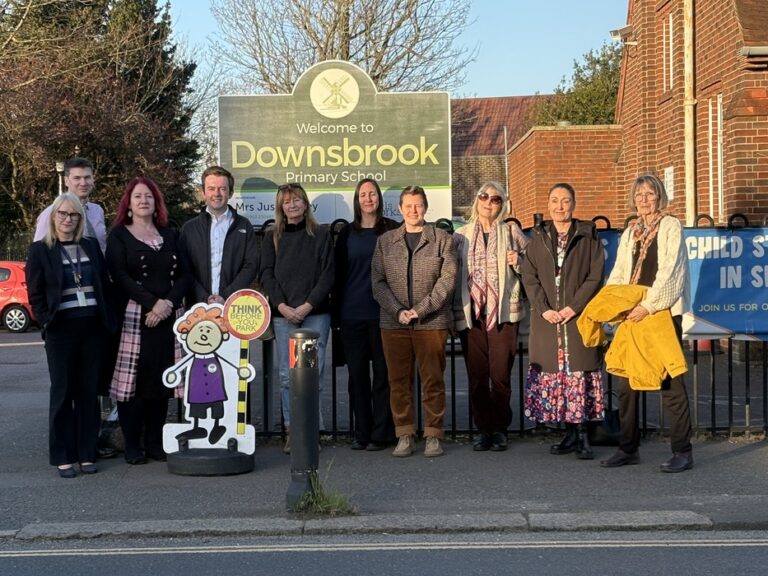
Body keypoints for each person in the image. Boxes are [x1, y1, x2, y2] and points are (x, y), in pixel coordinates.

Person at [599, 173, 693, 473]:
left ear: (660, 197)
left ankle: (682, 450)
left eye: (650, 194)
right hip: (632, 314)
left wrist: (647, 306)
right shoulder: (630, 232)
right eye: (639, 195)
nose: (644, 199)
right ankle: (628, 448)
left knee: (669, 381)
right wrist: (616, 305)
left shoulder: (670, 226)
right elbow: (619, 273)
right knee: (627, 385)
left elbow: (671, 272)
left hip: (661, 313)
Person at [26, 193, 115, 477]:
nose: (67, 219)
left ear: (80, 219)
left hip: (91, 328)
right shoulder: (41, 250)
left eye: (74, 215)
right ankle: (63, 456)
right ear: (53, 217)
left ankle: (86, 453)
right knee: (63, 393)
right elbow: (35, 293)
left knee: (88, 394)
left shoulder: (89, 246)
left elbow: (103, 284)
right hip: (61, 330)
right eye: (62, 214)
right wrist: (46, 321)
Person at [106, 177, 190, 465]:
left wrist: (167, 304)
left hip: (168, 318)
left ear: (156, 203)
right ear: (128, 204)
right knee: (134, 385)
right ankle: (132, 445)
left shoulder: (171, 234)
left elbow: (184, 275)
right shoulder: (119, 235)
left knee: (161, 382)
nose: (144, 201)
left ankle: (155, 443)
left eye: (149, 197)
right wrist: (152, 303)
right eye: (138, 196)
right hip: (135, 317)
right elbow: (120, 275)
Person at [520, 183, 605, 459]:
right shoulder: (538, 238)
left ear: (574, 204)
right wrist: (543, 308)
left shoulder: (588, 237)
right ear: (548, 205)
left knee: (577, 374)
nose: (560, 206)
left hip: (576, 319)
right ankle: (568, 433)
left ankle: (582, 435)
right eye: (555, 201)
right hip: (548, 321)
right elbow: (529, 276)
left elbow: (595, 276)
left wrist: (574, 307)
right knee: (558, 376)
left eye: (565, 201)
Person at [371, 185, 456, 458]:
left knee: (433, 380)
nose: (413, 210)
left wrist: (421, 309)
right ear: (399, 209)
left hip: (432, 322)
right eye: (408, 205)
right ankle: (404, 434)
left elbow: (448, 280)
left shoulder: (442, 238)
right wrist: (398, 310)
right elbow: (377, 282)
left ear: (426, 207)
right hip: (393, 323)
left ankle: (433, 434)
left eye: (418, 205)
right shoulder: (385, 242)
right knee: (398, 382)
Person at [453, 182, 529, 452]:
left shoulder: (511, 231)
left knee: (500, 375)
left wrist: (518, 260)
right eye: (483, 197)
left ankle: (500, 428)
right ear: (476, 201)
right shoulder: (460, 235)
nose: (488, 203)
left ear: (502, 204)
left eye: (495, 199)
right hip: (471, 313)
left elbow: (532, 265)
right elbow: (453, 274)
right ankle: (483, 429)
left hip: (504, 314)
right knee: (477, 376)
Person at [259, 183, 334, 454]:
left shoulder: (321, 234)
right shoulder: (272, 237)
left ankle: (310, 430)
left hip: (315, 315)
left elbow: (328, 274)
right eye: (287, 201)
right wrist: (282, 305)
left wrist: (307, 305)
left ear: (305, 204)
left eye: (297, 200)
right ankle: (293, 429)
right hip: (284, 316)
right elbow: (266, 273)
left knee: (312, 375)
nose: (292, 205)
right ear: (281, 206)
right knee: (287, 376)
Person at [333, 179, 398, 451]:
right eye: (363, 194)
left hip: (385, 315)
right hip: (352, 314)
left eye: (372, 194)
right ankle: (361, 432)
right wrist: (336, 317)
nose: (368, 199)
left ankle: (383, 433)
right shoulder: (347, 234)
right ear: (356, 200)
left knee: (384, 375)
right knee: (357, 376)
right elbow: (337, 277)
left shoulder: (393, 230)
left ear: (379, 198)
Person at [180, 166, 258, 306]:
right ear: (203, 192)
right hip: (198, 308)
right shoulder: (189, 229)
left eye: (222, 188)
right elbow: (185, 269)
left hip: (234, 307)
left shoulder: (244, 226)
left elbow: (251, 266)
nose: (217, 193)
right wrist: (204, 297)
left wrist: (226, 296)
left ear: (230, 192)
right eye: (211, 188)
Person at [34, 157, 107, 253]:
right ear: (66, 181)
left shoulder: (97, 211)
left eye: (87, 177)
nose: (83, 183)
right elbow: (38, 252)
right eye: (77, 178)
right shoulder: (52, 212)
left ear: (93, 179)